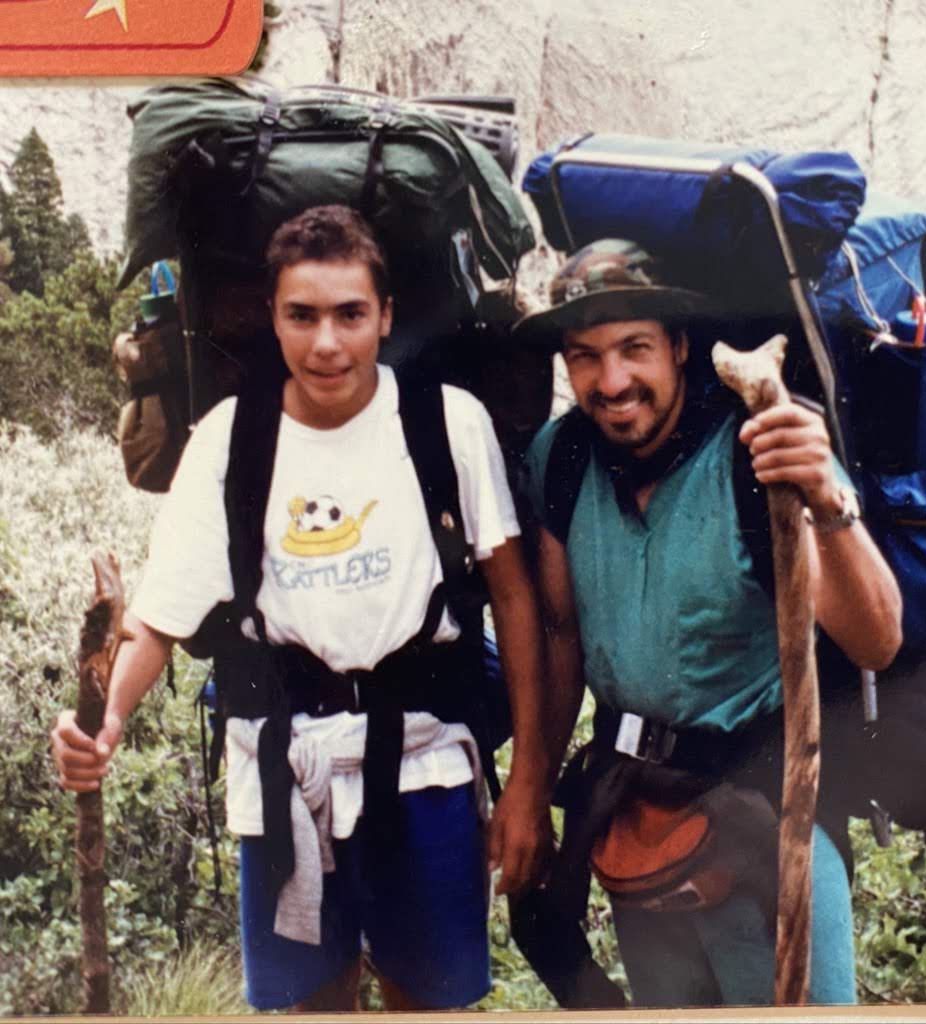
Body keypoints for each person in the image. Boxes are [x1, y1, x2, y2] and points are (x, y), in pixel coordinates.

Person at [51, 204, 551, 1012]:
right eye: (302, 315)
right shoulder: (230, 439)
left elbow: (514, 596)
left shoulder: (446, 422)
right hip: (284, 773)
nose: (327, 343)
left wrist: (527, 781)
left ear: (385, 316)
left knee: (429, 1004)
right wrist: (105, 723)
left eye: (350, 314)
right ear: (273, 318)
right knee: (312, 1005)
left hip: (426, 764)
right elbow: (158, 617)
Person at [516, 238, 903, 1007]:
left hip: (765, 822)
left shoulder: (757, 448)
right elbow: (560, 634)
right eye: (586, 356)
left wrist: (827, 502)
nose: (612, 381)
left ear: (680, 346)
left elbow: (877, 639)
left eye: (635, 348)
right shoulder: (563, 457)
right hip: (638, 827)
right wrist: (529, 788)